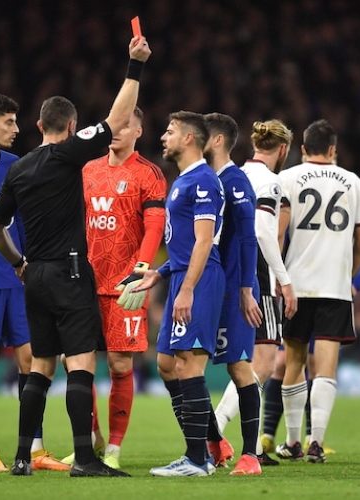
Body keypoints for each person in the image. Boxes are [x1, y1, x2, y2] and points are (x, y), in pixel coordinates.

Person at [0, 34, 151, 477]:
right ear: (71, 125)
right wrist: (134, 66)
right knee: (79, 363)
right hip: (71, 271)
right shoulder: (69, 156)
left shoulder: (17, 169)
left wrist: (18, 263)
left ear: (39, 125)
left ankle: (22, 456)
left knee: (39, 366)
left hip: (34, 276)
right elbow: (117, 120)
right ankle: (84, 458)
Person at [60, 106, 167, 469]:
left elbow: (154, 226)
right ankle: (89, 440)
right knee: (78, 364)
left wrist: (140, 268)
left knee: (120, 365)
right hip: (83, 282)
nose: (117, 130)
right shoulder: (86, 170)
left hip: (125, 284)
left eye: (125, 125)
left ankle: (115, 449)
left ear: (139, 131)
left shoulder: (148, 174)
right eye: (113, 124)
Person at [0, 92, 67, 472]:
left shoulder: (17, 166)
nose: (16, 129)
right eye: (9, 122)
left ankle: (34, 448)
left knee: (33, 359)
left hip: (19, 278)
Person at [134, 111, 225, 477]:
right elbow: (185, 246)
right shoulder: (183, 180)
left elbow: (205, 242)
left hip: (199, 282)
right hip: (182, 277)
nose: (163, 137)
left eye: (170, 131)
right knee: (167, 363)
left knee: (188, 362)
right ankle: (206, 448)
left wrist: (186, 288)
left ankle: (197, 459)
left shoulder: (204, 181)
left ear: (189, 138)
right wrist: (162, 273)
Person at [276, 119, 360, 462]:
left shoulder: (287, 178)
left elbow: (279, 235)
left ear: (302, 149)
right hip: (334, 285)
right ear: (333, 150)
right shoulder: (352, 181)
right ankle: (318, 442)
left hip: (296, 285)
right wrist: (349, 274)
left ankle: (293, 441)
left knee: (294, 361)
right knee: (326, 365)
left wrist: (279, 274)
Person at [214, 119, 297, 466]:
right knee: (260, 364)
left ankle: (252, 446)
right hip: (256, 274)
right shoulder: (271, 181)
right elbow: (264, 233)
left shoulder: (233, 174)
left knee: (240, 360)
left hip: (226, 272)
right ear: (283, 149)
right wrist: (284, 279)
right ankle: (215, 433)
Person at [263, 226, 360, 456]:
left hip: (308, 291)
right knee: (285, 363)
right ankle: (272, 435)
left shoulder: (299, 192)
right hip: (307, 291)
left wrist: (354, 284)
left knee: (308, 363)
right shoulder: (348, 191)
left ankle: (309, 438)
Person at [203, 112, 263, 476]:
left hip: (235, 289)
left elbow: (247, 239)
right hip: (211, 287)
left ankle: (251, 455)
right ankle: (215, 441)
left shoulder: (235, 180)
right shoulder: (205, 179)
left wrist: (245, 290)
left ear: (219, 140)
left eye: (202, 134)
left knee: (240, 368)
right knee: (179, 364)